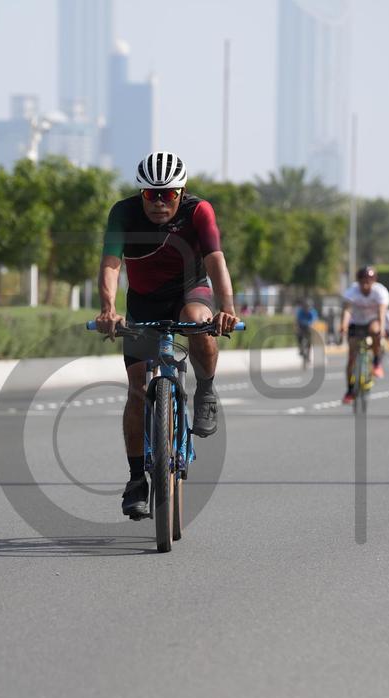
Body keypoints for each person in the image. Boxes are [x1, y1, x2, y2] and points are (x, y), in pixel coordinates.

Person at [94, 150, 238, 519]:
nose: (159, 202)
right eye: (151, 194)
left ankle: (205, 390)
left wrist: (227, 307)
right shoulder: (123, 213)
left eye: (168, 194)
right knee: (137, 389)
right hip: (143, 302)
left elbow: (216, 260)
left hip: (190, 291)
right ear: (140, 193)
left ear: (181, 192)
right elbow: (111, 264)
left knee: (197, 320)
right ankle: (136, 480)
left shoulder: (198, 211)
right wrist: (108, 309)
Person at [340, 266, 389, 404]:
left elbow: (382, 312)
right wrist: (343, 325)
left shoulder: (380, 292)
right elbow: (347, 311)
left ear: (374, 281)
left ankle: (377, 362)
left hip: (372, 321)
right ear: (358, 281)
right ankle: (350, 390)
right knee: (351, 357)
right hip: (356, 322)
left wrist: (382, 330)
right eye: (362, 281)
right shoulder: (352, 291)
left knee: (375, 331)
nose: (365, 285)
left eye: (369, 281)